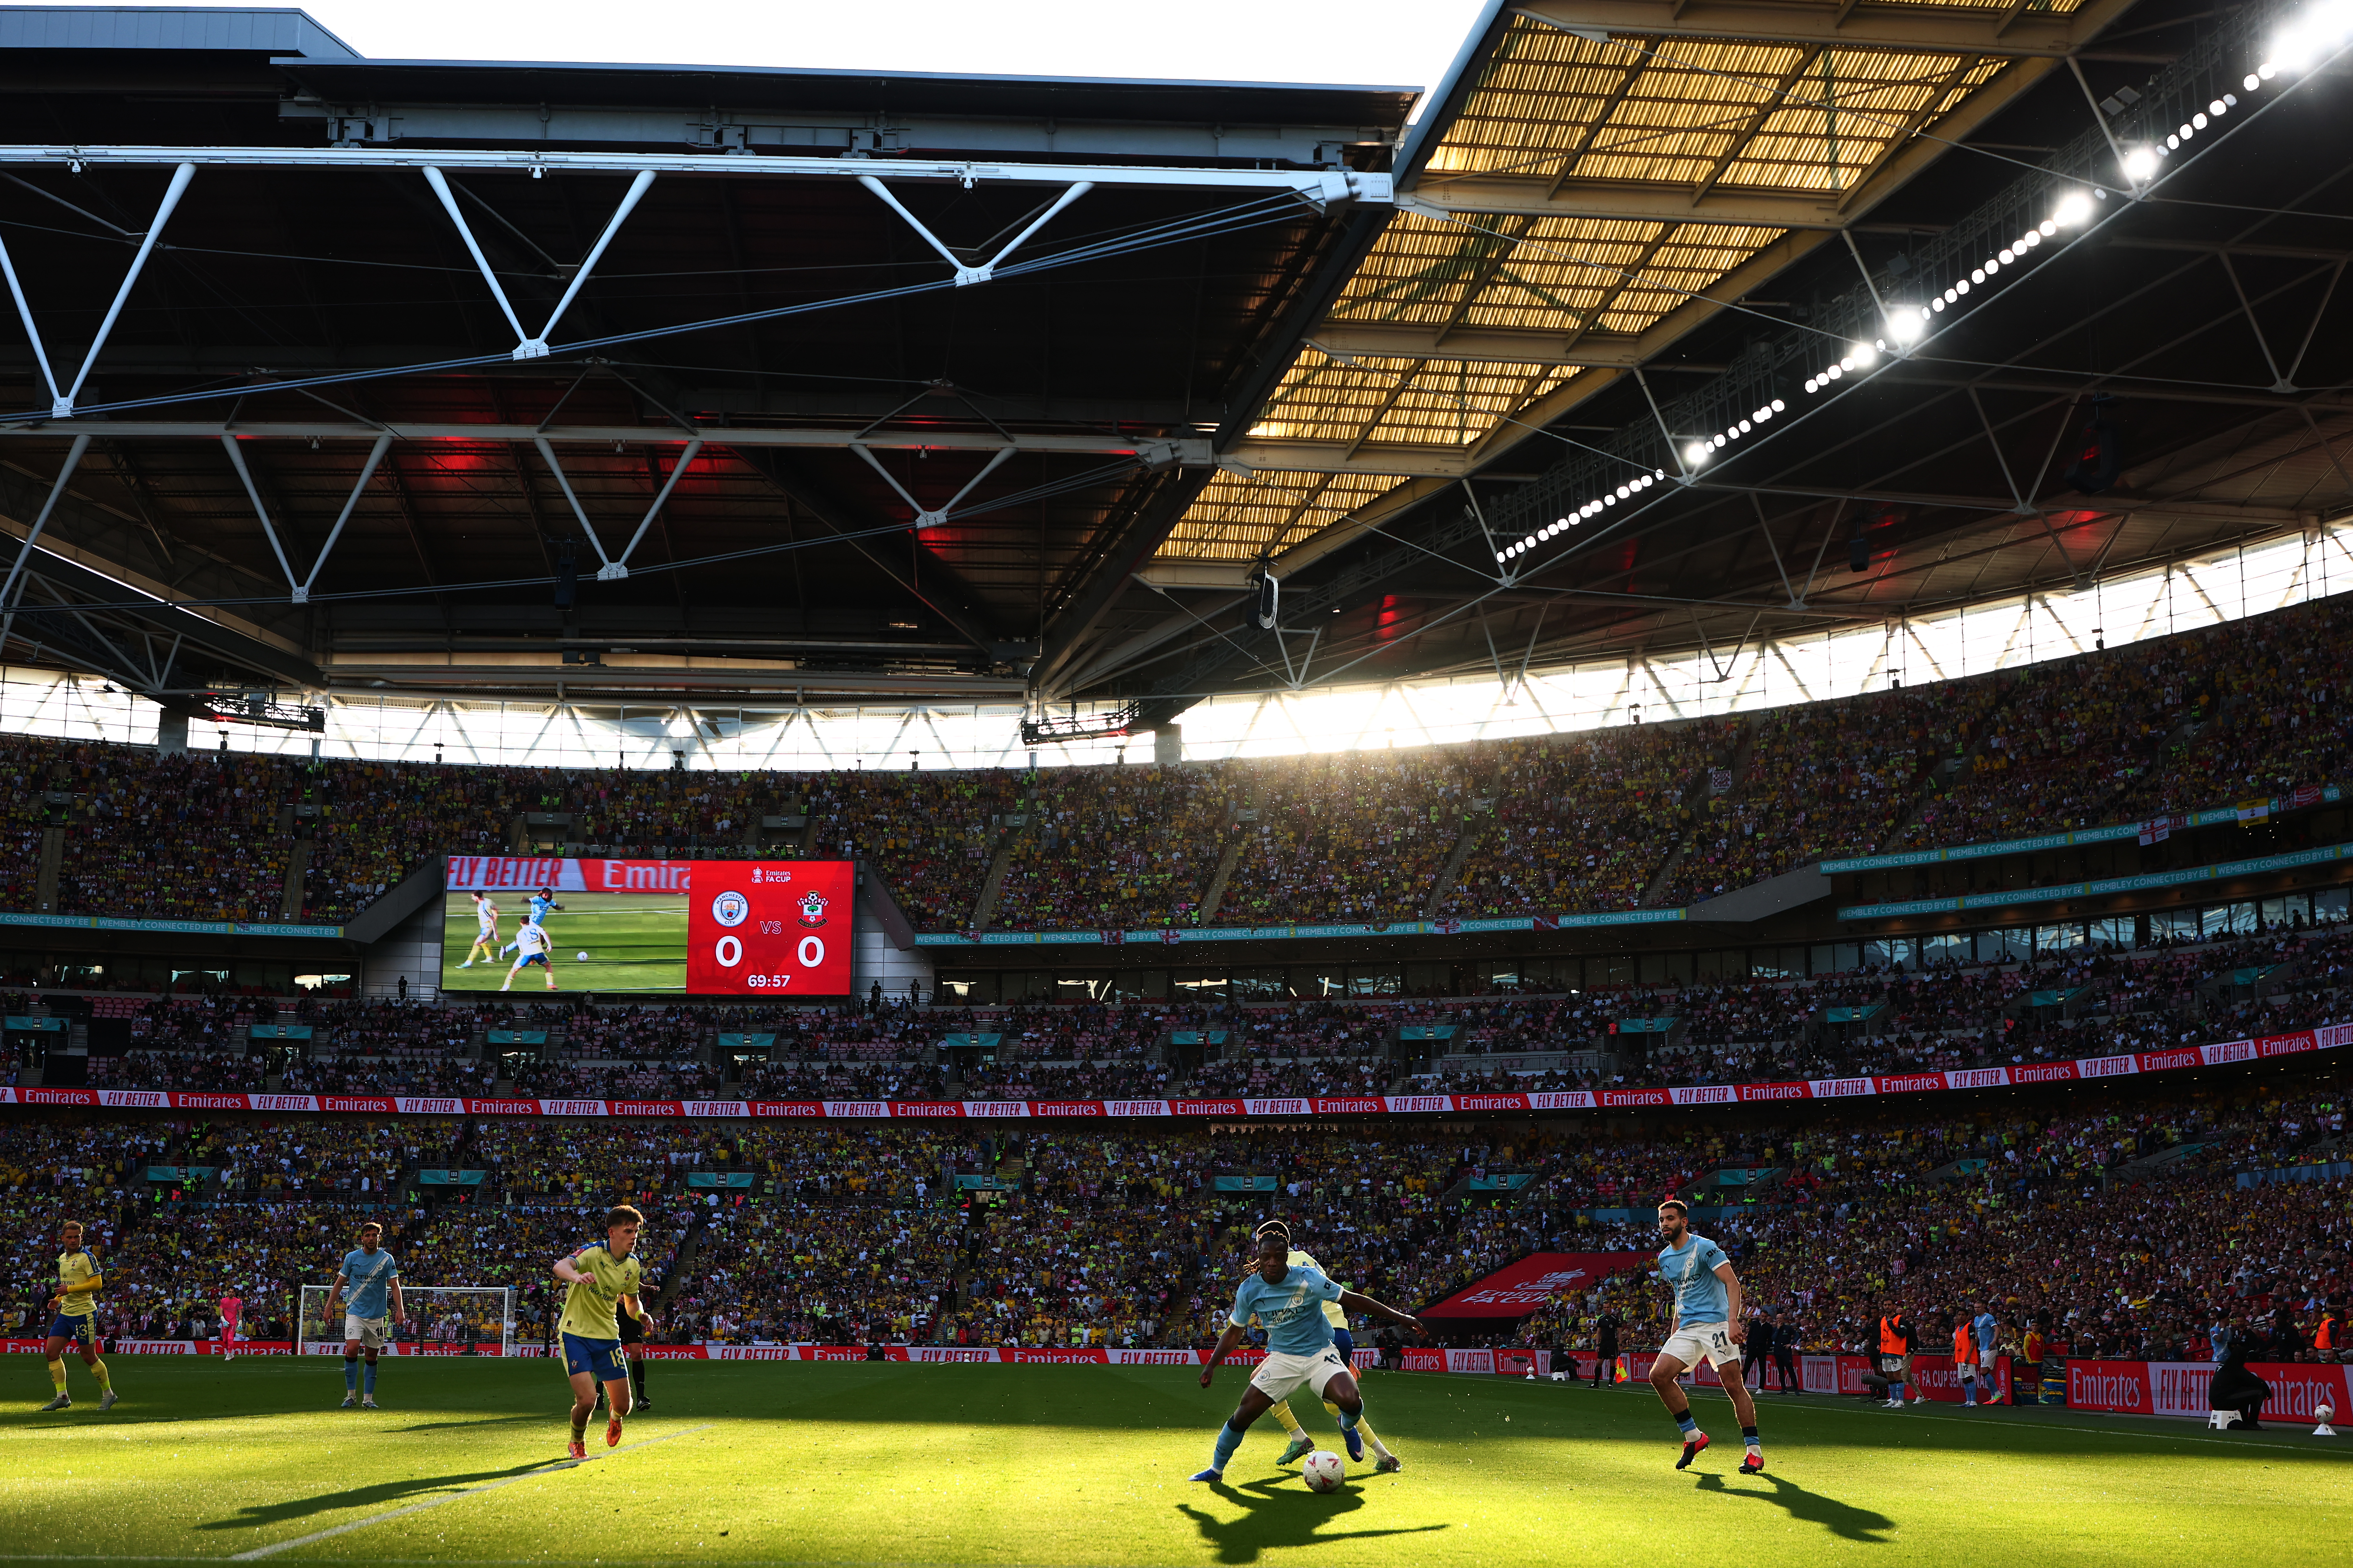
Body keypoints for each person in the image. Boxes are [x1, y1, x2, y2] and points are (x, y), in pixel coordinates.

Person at [1190, 1230, 1422, 1483]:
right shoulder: (1249, 1289)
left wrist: (1401, 1318)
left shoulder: (1308, 1278)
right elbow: (1234, 1331)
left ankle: (1346, 1424)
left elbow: (1353, 1300)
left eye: (1278, 1256)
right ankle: (1216, 1470)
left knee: (1351, 1400)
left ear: (1285, 1256)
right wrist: (1211, 1365)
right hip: (1283, 1359)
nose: (1272, 1262)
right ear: (1259, 1256)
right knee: (1244, 1413)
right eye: (1266, 1256)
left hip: (1320, 1354)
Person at [1248, 1220, 1400, 1473]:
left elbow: (1287, 1310)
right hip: (1340, 1332)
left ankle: (1300, 1438)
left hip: (1312, 1336)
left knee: (1261, 1383)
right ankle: (1383, 1455)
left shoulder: (1278, 1268)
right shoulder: (1307, 1258)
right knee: (1338, 1402)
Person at [1646, 1199, 1763, 1474]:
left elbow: (1731, 1283)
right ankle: (1694, 1437)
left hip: (1717, 1325)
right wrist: (1675, 1328)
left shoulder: (1705, 1247)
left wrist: (1732, 1320)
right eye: (1662, 1220)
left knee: (1733, 1386)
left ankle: (1753, 1452)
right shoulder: (1664, 1258)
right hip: (1687, 1328)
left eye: (1670, 1219)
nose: (1665, 1224)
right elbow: (1680, 1294)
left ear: (1684, 1222)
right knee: (1659, 1376)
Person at [557, 1204, 654, 1460]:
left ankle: (615, 1418)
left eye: (637, 1231)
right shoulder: (591, 1252)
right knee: (588, 1399)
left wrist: (640, 1315)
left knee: (625, 1406)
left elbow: (631, 1302)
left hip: (608, 1337)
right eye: (629, 1230)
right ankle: (577, 1441)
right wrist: (576, 1277)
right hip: (575, 1334)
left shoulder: (633, 1266)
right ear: (612, 1232)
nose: (634, 1236)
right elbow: (561, 1267)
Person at [324, 1221, 405, 1409]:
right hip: (355, 1311)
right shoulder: (352, 1258)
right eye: (367, 1235)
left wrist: (400, 1309)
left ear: (378, 1237)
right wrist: (329, 1307)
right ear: (362, 1238)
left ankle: (368, 1399)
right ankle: (350, 1395)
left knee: (371, 1355)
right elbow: (339, 1283)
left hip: (377, 1315)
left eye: (374, 1235)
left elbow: (395, 1286)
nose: (371, 1238)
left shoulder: (387, 1260)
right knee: (352, 1348)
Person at [38, 1220, 115, 1412]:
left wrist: (68, 1289)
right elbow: (67, 1284)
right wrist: (58, 1299)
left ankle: (109, 1395)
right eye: (70, 1237)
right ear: (63, 1238)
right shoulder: (63, 1258)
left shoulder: (87, 1257)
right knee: (51, 1352)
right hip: (66, 1313)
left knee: (88, 1356)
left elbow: (97, 1284)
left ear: (82, 1237)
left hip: (84, 1313)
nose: (73, 1240)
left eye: (77, 1237)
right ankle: (62, 1397)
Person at [502, 914, 558, 992]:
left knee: (514, 970)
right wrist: (550, 945)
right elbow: (544, 933)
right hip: (539, 953)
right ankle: (550, 984)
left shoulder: (519, 934)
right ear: (529, 921)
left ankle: (506, 987)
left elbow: (521, 948)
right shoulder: (536, 927)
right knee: (548, 966)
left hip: (527, 954)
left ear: (521, 923)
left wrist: (528, 959)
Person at [1877, 1303, 1917, 1408]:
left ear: (1893, 1307)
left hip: (1895, 1351)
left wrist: (1891, 1325)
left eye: (1889, 1305)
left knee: (1897, 1376)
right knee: (1889, 1376)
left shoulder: (1900, 1319)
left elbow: (1903, 1334)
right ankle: (1893, 1400)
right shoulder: (1883, 1320)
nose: (1887, 1307)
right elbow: (1882, 1334)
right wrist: (1880, 1344)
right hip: (1885, 1351)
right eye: (1885, 1305)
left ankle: (1901, 1401)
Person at [458, 890, 501, 968]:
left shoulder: (483, 908)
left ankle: (468, 963)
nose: (472, 898)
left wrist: (495, 933)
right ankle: (490, 958)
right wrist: (496, 917)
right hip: (485, 927)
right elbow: (496, 909)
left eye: (473, 897)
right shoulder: (488, 900)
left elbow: (491, 919)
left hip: (488, 928)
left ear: (477, 897)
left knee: (477, 943)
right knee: (484, 943)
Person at [1971, 1300, 2002, 1404]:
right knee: (1987, 1372)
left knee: (1983, 1372)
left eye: (1979, 1307)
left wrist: (1995, 1340)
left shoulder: (1988, 1317)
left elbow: (1997, 1329)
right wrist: (1973, 1346)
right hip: (1982, 1349)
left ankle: (1997, 1393)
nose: (1977, 1309)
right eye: (1976, 1307)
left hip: (1990, 1348)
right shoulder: (1976, 1319)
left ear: (1984, 1307)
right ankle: (1993, 1396)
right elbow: (1977, 1334)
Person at [1951, 1314, 1980, 1407]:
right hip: (1960, 1357)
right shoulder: (1958, 1328)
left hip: (1967, 1357)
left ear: (1967, 1317)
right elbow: (1957, 1344)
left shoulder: (1969, 1327)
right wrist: (1953, 1357)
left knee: (1969, 1378)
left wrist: (1968, 1355)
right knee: (1965, 1380)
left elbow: (1973, 1341)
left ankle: (1974, 1401)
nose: (1960, 1317)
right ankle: (1968, 1401)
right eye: (1959, 1315)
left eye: (1962, 1315)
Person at [1744, 1308, 1774, 1391]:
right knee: (1746, 1368)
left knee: (1762, 1369)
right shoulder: (1754, 1324)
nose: (1764, 1318)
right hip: (1752, 1348)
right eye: (1762, 1316)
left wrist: (1766, 1349)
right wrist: (1749, 1347)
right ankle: (1742, 1386)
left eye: (1765, 1316)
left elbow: (1770, 1339)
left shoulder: (1769, 1327)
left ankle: (1761, 1388)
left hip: (1761, 1349)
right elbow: (1750, 1336)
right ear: (1760, 1316)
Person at [1773, 1309, 1801, 1394]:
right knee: (1781, 1371)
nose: (1779, 1320)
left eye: (1780, 1319)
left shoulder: (1788, 1328)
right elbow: (1773, 1339)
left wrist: (1791, 1343)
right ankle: (1783, 1389)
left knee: (1790, 1370)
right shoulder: (1774, 1329)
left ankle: (1796, 1389)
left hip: (1786, 1352)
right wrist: (1778, 1329)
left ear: (1783, 1319)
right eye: (1777, 1319)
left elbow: (1797, 1335)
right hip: (1778, 1352)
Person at [1593, 1305, 1621, 1388]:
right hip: (1603, 1343)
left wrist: (1620, 1344)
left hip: (1612, 1342)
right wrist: (1598, 1344)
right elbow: (1599, 1332)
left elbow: (1619, 1332)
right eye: (1605, 1307)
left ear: (1611, 1308)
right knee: (1599, 1363)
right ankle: (1596, 1383)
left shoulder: (1615, 1319)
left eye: (1608, 1307)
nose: (1606, 1309)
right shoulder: (1601, 1319)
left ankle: (1610, 1383)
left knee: (1612, 1362)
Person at [217, 1291, 243, 1363]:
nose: (231, 1293)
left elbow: (240, 1312)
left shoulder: (238, 1301)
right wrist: (224, 1321)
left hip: (233, 1322)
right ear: (228, 1293)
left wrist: (240, 1323)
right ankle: (231, 1354)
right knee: (225, 1340)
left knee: (230, 1338)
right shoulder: (223, 1301)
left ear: (234, 1293)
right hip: (225, 1322)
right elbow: (221, 1311)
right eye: (230, 1292)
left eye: (232, 1292)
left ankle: (229, 1354)